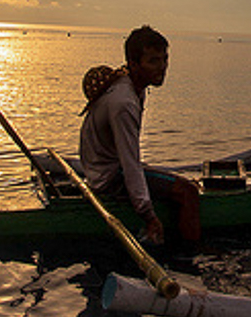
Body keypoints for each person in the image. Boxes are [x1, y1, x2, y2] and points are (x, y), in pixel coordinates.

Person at [79, 26, 199, 245]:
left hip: (103, 171)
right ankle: (194, 254)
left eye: (164, 59)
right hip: (109, 178)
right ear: (134, 64)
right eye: (153, 61)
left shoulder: (132, 86)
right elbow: (130, 164)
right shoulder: (124, 102)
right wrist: (148, 215)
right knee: (188, 191)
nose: (162, 67)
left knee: (177, 182)